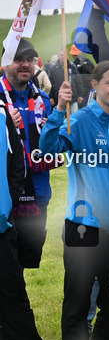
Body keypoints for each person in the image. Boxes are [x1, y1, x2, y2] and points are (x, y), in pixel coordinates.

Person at [39, 63, 109, 340]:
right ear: (95, 85)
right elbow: (48, 150)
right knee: (78, 301)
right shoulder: (78, 121)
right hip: (83, 226)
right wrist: (58, 109)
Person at [0, 100, 64, 340]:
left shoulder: (2, 113)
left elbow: (17, 163)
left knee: (13, 289)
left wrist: (8, 202)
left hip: (0, 223)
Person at [0, 39, 60, 276]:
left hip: (37, 197)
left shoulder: (43, 101)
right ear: (6, 63)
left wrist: (52, 131)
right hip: (4, 197)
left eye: (30, 59)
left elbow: (55, 149)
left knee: (23, 264)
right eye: (18, 59)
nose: (25, 64)